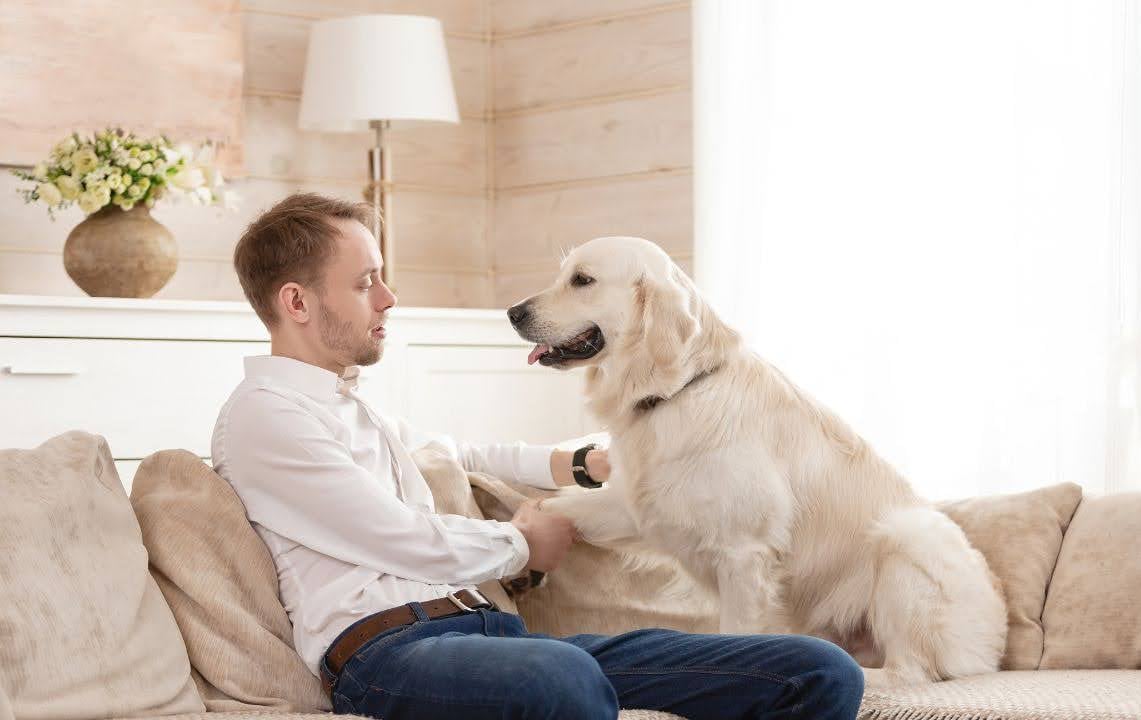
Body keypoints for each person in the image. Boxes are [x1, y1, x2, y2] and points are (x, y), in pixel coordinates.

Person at [211, 193, 864, 720]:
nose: (389, 298)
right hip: (387, 655)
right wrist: (522, 544)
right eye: (366, 282)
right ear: (295, 301)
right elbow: (396, 537)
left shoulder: (351, 408)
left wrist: (577, 466)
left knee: (814, 669)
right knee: (561, 676)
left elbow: (458, 453)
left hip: (486, 634)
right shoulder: (267, 417)